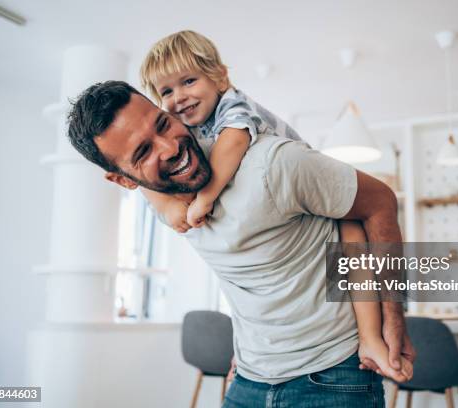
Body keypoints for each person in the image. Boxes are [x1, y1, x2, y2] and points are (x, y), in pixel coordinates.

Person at [67, 80, 415, 407]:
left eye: (162, 124)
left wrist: (393, 318)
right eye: (143, 152)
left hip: (335, 376)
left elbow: (381, 201)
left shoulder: (274, 164)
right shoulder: (163, 201)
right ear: (124, 181)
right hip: (248, 380)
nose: (171, 147)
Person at [138, 30, 412, 382]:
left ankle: (371, 339)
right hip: (262, 356)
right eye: (167, 91)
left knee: (353, 250)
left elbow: (234, 143)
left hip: (326, 203)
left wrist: (204, 199)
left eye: (188, 81)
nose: (179, 97)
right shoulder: (188, 131)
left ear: (219, 76)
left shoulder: (232, 104)